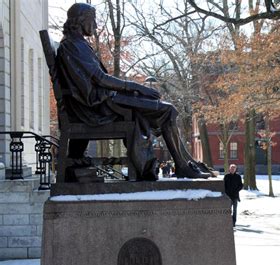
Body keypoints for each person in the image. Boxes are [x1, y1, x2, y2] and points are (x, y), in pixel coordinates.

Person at [57, 3, 211, 180]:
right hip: (96, 107)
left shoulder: (76, 44)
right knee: (167, 110)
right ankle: (181, 166)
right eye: (93, 20)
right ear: (80, 20)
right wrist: (136, 86)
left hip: (98, 103)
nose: (96, 25)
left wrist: (136, 90)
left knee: (158, 107)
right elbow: (99, 78)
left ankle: (179, 164)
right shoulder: (73, 45)